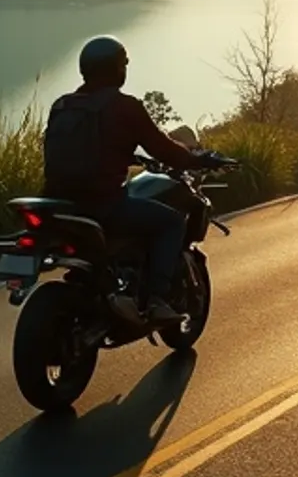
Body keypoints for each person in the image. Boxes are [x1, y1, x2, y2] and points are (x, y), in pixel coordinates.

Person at [44, 36, 209, 329]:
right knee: (171, 223)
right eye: (123, 65)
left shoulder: (63, 105)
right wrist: (196, 159)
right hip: (103, 206)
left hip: (59, 206)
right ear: (116, 69)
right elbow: (164, 149)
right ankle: (158, 300)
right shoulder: (124, 107)